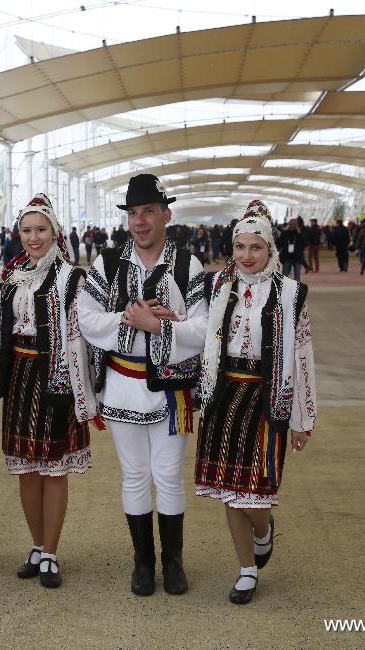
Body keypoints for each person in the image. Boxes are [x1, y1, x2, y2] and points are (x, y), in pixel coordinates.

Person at [77, 173, 208, 597]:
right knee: (134, 475)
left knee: (168, 475)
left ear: (166, 214)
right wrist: (131, 320)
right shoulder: (107, 263)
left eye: (148, 211)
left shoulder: (188, 265)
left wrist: (158, 328)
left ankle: (173, 562)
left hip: (173, 390)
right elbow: (87, 318)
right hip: (123, 384)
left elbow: (205, 328)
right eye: (133, 213)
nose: (139, 222)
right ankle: (143, 562)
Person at [0, 193, 98, 589]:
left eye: (40, 230)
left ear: (55, 232)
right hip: (20, 376)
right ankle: (36, 547)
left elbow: (83, 336)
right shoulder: (12, 275)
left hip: (55, 379)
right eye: (26, 230)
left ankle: (51, 552)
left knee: (54, 469)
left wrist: (86, 390)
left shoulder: (72, 277)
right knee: (26, 469)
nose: (33, 237)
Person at [195, 199, 316, 605]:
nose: (247, 256)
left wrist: (302, 418)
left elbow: (302, 358)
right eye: (240, 247)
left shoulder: (291, 294)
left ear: (270, 250)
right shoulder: (218, 286)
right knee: (231, 489)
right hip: (225, 394)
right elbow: (202, 336)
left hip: (267, 398)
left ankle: (264, 530)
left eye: (256, 248)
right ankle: (246, 570)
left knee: (258, 489)